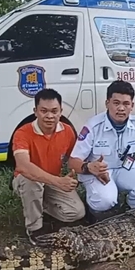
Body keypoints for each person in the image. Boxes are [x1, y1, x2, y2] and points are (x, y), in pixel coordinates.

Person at [68, 80, 135, 219]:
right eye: (116, 103)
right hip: (99, 173)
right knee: (106, 200)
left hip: (123, 169)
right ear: (107, 103)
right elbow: (72, 162)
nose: (121, 108)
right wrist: (88, 167)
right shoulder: (93, 126)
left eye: (126, 104)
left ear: (132, 106)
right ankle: (94, 213)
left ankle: (133, 211)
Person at [11, 88, 85, 242]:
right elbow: (23, 166)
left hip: (51, 180)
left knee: (77, 213)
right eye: (44, 111)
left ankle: (37, 206)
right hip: (27, 179)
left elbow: (74, 159)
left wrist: (89, 167)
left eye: (54, 111)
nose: (49, 116)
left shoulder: (68, 131)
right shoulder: (22, 133)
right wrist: (59, 181)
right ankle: (34, 229)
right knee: (31, 181)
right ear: (35, 111)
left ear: (61, 112)